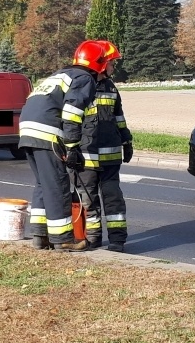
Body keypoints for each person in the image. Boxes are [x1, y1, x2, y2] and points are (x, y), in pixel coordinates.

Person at [18, 40, 111, 251]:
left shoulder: (60, 75)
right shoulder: (85, 79)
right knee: (58, 185)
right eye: (108, 64)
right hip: (47, 132)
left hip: (27, 130)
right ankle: (62, 239)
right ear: (100, 64)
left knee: (43, 184)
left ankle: (40, 235)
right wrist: (72, 147)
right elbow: (72, 113)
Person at [75, 40, 132, 252]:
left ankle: (117, 240)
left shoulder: (111, 87)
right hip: (85, 156)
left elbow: (119, 117)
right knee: (88, 200)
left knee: (113, 198)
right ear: (101, 64)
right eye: (111, 63)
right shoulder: (80, 87)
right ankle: (93, 238)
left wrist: (126, 140)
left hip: (110, 157)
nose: (113, 67)